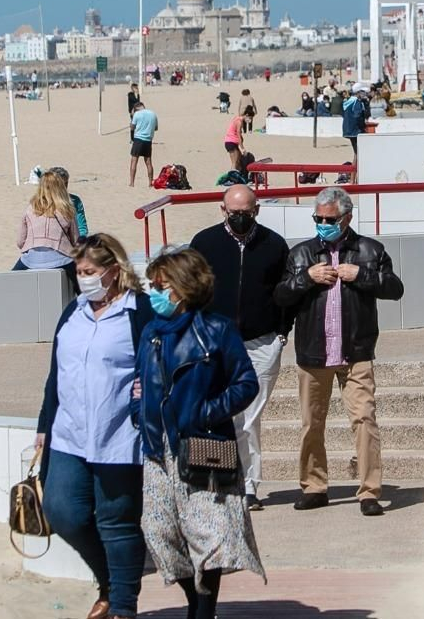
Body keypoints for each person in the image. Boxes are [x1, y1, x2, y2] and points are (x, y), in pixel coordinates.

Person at [140, 246, 264, 619]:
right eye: (152, 285)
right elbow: (140, 383)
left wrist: (206, 412)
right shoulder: (151, 332)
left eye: (161, 285)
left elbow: (246, 383)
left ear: (183, 286)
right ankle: (193, 600)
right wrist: (138, 413)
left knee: (210, 533)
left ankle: (204, 609)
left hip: (204, 443)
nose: (155, 292)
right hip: (158, 447)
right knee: (161, 532)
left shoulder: (216, 330)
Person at [35, 233, 149, 619]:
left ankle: (121, 605)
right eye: (78, 270)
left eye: (89, 271)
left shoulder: (139, 312)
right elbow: (56, 374)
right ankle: (109, 581)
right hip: (68, 435)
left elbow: (156, 364)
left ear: (113, 271)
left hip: (120, 435)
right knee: (61, 510)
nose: (82, 277)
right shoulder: (73, 311)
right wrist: (43, 426)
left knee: (116, 520)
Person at [275, 187, 404, 515]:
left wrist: (361, 275)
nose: (322, 223)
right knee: (311, 423)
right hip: (313, 352)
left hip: (356, 352)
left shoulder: (369, 250)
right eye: (317, 218)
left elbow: (394, 288)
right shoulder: (301, 254)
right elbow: (281, 296)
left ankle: (369, 491)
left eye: (329, 219)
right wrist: (306, 278)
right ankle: (314, 486)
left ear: (347, 217)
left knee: (364, 419)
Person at [190, 185, 291, 510]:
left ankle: (248, 486)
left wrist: (281, 333)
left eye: (246, 213)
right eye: (234, 213)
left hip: (262, 342)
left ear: (257, 210)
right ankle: (222, 481)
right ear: (222, 210)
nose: (240, 218)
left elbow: (284, 292)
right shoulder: (204, 242)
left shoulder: (274, 244)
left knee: (248, 418)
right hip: (216, 343)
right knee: (220, 414)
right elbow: (191, 289)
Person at [16, 170, 80, 271]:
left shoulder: (30, 209)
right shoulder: (67, 210)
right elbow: (76, 241)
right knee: (80, 283)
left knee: (10, 281)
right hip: (61, 259)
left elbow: (20, 242)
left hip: (31, 261)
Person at [129, 101, 157, 188]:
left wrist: (133, 117)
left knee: (134, 161)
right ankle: (150, 183)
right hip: (148, 140)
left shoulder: (137, 114)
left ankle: (132, 182)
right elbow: (156, 128)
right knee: (148, 162)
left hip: (138, 139)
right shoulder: (153, 114)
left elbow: (132, 127)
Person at [342, 83, 370, 158]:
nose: (364, 93)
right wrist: (363, 127)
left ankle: (354, 168)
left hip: (348, 129)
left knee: (356, 152)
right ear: (358, 92)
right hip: (356, 130)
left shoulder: (348, 101)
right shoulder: (357, 102)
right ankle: (356, 169)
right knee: (359, 152)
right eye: (362, 92)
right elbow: (357, 116)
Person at [224, 109, 246, 175]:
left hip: (228, 142)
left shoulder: (236, 118)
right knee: (235, 162)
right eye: (250, 118)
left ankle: (238, 174)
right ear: (247, 115)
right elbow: (238, 134)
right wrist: (242, 147)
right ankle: (232, 177)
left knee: (238, 160)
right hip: (231, 142)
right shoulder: (239, 121)